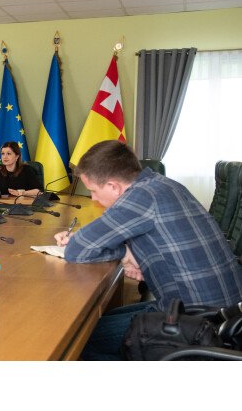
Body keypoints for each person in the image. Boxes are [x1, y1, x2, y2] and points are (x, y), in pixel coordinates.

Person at [53, 140, 242, 360]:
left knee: (80, 341)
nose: (92, 198)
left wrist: (123, 253)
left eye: (93, 190)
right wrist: (126, 252)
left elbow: (76, 251)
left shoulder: (140, 198)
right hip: (228, 312)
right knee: (102, 318)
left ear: (113, 186)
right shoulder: (161, 184)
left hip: (200, 321)